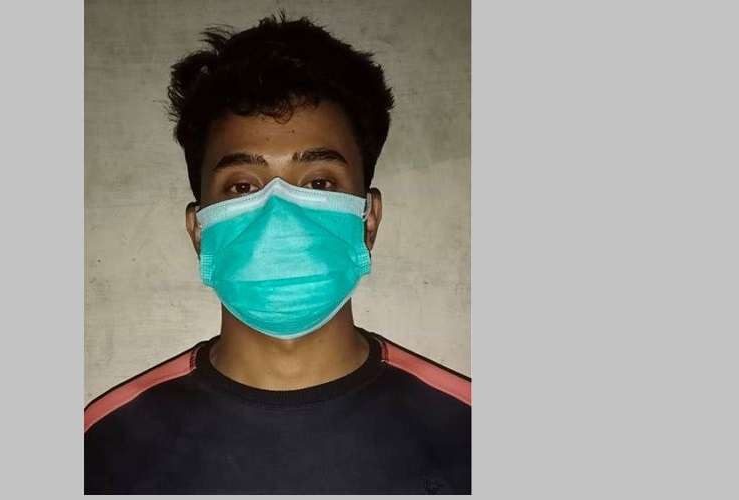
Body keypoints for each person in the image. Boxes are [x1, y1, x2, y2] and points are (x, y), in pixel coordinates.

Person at [84, 13, 471, 494]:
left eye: (319, 183)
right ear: (200, 231)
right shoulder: (105, 450)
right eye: (243, 186)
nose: (279, 212)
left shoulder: (466, 438)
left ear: (368, 220)